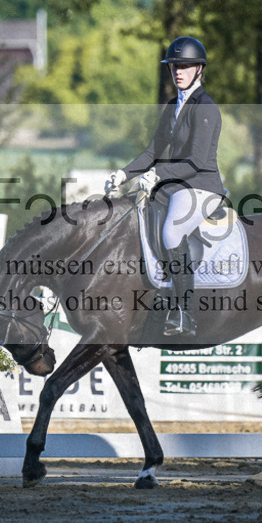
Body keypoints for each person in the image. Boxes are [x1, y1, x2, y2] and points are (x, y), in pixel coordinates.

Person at [106, 36, 224, 338]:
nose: (178, 72)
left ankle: (185, 313)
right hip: (176, 185)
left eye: (184, 66)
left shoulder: (206, 108)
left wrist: (158, 174)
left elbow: (197, 161)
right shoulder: (174, 106)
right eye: (174, 66)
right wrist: (124, 174)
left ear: (199, 69)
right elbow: (152, 151)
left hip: (202, 186)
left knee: (172, 231)